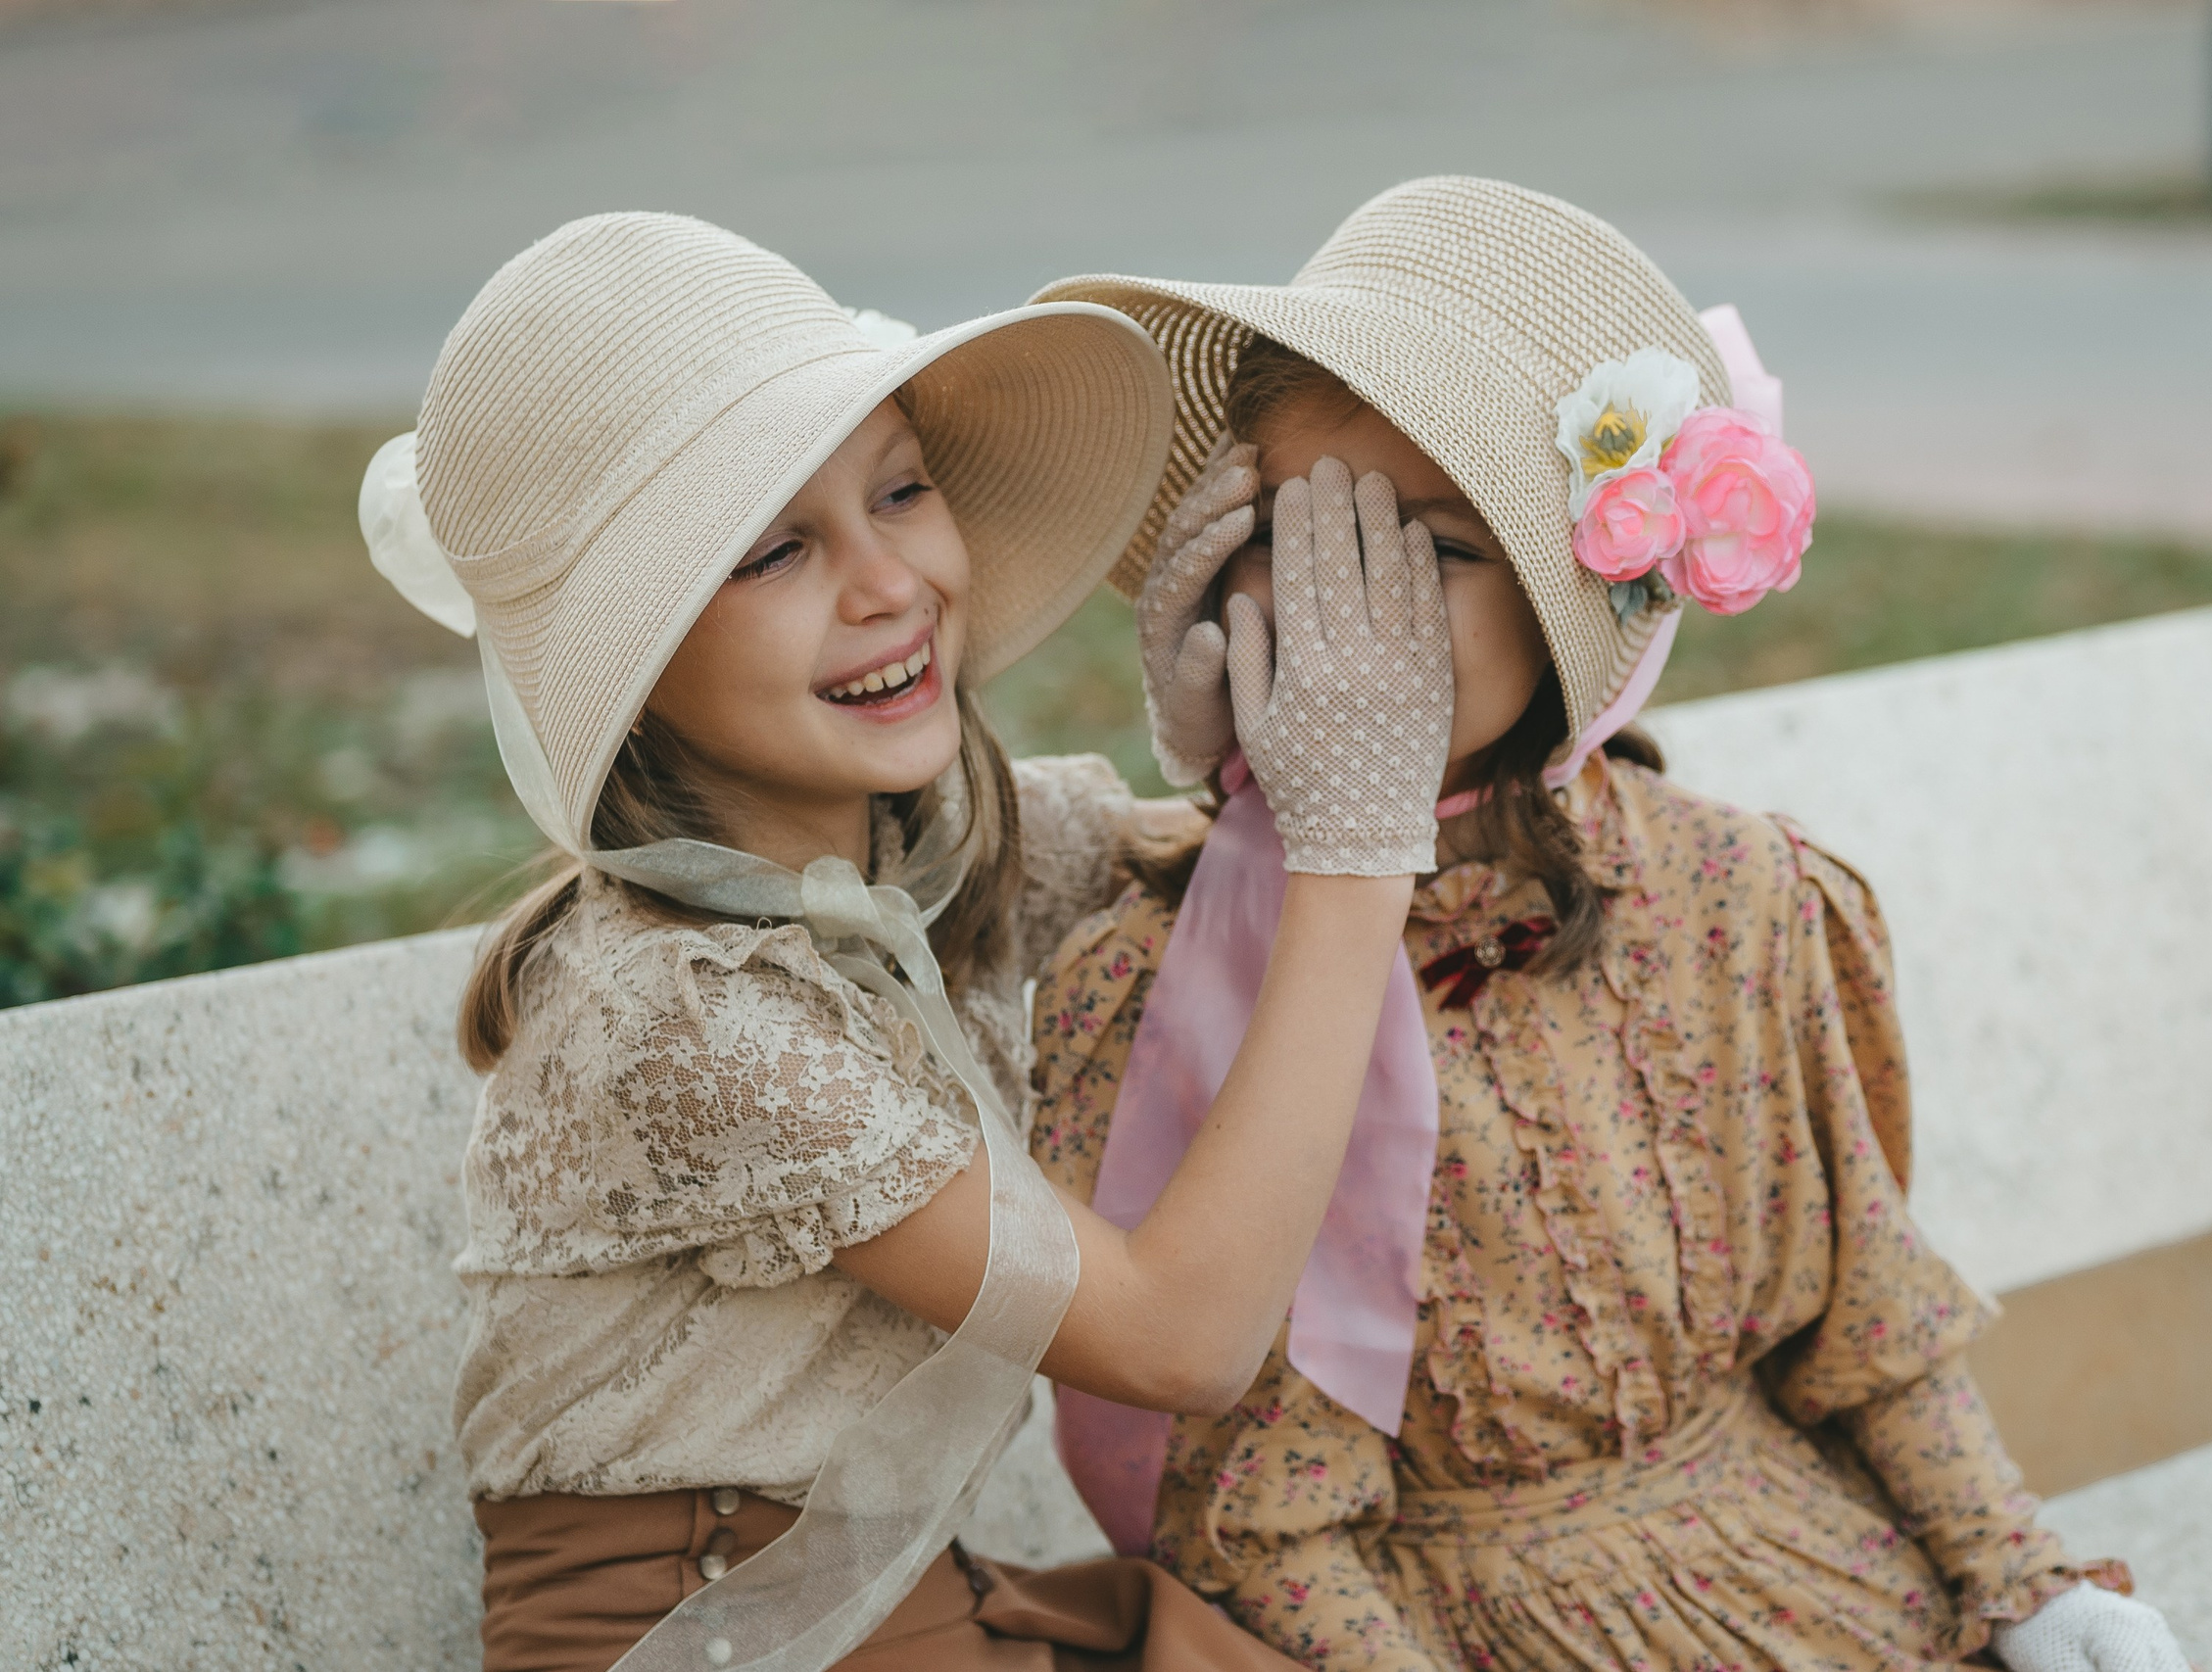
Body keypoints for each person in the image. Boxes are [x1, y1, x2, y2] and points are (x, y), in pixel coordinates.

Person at [1026, 178, 2193, 1672]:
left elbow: (1869, 1326)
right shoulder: (1160, 986)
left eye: (1429, 550)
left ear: (1569, 594)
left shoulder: (1734, 896)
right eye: (1296, 539)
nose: (1345, 611)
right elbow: (1254, 1525)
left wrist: (2030, 1581)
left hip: (1805, 1580)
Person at [358, 211, 1455, 1671]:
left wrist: (1240, 769)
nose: (889, 585)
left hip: (900, 1607)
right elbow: (1181, 1341)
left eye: (903, 490)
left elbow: (1210, 888)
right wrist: (1354, 854)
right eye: (775, 553)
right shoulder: (680, 1019)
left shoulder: (934, 855)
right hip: (721, 1634)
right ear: (636, 660)